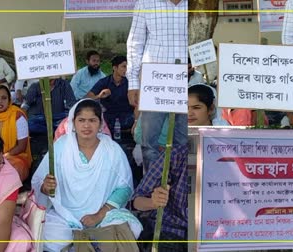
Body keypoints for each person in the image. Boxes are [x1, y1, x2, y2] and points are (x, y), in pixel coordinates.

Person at [32, 99, 142, 252]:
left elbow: (124, 188)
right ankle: (89, 242)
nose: (86, 125)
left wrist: (98, 215)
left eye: (92, 120)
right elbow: (40, 183)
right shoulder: (60, 146)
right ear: (73, 122)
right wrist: (46, 186)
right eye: (81, 120)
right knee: (50, 234)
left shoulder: (112, 149)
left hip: (103, 216)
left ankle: (87, 241)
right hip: (65, 216)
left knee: (130, 227)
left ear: (100, 123)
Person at [127, 0, 188, 170]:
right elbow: (135, 43)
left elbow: (205, 39)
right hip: (154, 82)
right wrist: (133, 82)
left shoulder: (199, 3)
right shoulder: (146, 3)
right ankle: (152, 190)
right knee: (149, 143)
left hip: (187, 82)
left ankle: (177, 190)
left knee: (182, 142)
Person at [133, 144, 188, 252]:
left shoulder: (228, 161)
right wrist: (153, 202)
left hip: (214, 237)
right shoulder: (175, 155)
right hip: (171, 232)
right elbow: (136, 202)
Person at [87, 55, 135, 131]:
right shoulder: (104, 82)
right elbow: (88, 97)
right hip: (109, 117)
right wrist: (99, 96)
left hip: (127, 117)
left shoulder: (131, 82)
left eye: (127, 67)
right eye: (124, 67)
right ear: (115, 68)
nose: (126, 70)